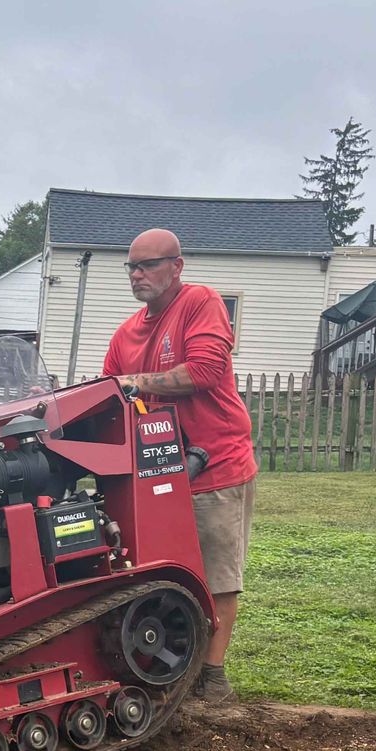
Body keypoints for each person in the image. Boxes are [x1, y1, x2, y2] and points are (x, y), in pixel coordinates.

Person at [101, 228, 258, 702]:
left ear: (177, 266)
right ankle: (168, 665)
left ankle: (212, 677)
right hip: (152, 474)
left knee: (215, 573)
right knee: (152, 570)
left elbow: (206, 370)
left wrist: (137, 383)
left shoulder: (200, 303)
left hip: (214, 464)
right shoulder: (126, 334)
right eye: (131, 266)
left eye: (147, 265)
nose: (137, 274)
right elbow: (109, 394)